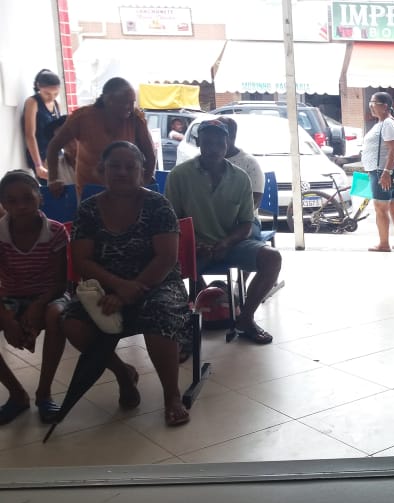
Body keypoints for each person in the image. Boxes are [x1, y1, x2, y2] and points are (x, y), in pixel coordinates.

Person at [62, 141, 191, 427]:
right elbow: (82, 260)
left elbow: (166, 258)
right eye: (115, 166)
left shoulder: (158, 205)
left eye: (130, 166)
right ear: (102, 170)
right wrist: (118, 286)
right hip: (107, 286)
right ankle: (123, 374)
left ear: (142, 171)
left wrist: (129, 291)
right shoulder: (88, 210)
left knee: (159, 313)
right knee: (71, 322)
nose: (122, 172)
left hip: (157, 283)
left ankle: (172, 396)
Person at [166, 120, 282, 345]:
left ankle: (245, 319)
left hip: (231, 245)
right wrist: (195, 244)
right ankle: (183, 329)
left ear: (227, 144)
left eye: (219, 143)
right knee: (166, 272)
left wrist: (226, 243)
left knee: (272, 258)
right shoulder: (179, 175)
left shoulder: (240, 177)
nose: (214, 148)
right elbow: (172, 221)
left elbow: (246, 223)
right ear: (199, 143)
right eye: (207, 142)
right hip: (193, 247)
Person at [0, 170, 69, 425]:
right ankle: (17, 395)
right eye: (12, 200)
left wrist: (39, 304)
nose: (21, 206)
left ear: (40, 197)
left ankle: (44, 393)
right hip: (11, 295)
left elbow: (61, 283)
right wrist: (7, 319)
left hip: (49, 293)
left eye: (28, 198)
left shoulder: (56, 231)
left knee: (56, 315)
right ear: (3, 204)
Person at [46, 77, 155, 194]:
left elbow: (150, 154)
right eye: (125, 102)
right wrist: (53, 179)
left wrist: (144, 182)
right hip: (89, 190)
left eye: (132, 102)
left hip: (126, 191)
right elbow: (54, 146)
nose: (130, 107)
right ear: (108, 100)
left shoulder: (135, 119)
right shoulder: (82, 118)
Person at [362, 92, 394, 252]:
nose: (371, 106)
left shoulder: (387, 123)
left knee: (381, 208)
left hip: (382, 171)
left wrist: (386, 172)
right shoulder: (383, 123)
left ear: (385, 106)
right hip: (384, 170)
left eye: (373, 103)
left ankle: (383, 244)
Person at [218, 117, 266, 240]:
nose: (215, 141)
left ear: (232, 137)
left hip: (246, 221)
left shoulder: (249, 163)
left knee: (242, 240)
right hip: (211, 221)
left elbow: (255, 201)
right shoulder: (204, 161)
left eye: (220, 136)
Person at [22, 69, 62, 182]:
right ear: (39, 87)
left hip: (56, 154)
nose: (52, 97)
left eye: (56, 94)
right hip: (40, 155)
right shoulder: (33, 102)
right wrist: (38, 164)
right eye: (47, 93)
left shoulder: (56, 104)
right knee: (49, 187)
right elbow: (30, 135)